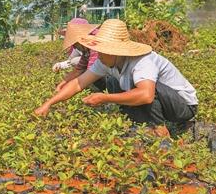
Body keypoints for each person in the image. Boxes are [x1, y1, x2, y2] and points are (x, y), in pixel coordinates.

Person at [35, 19, 198, 131]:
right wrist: (49, 103)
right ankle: (140, 126)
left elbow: (147, 96)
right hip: (162, 102)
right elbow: (79, 83)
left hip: (182, 107)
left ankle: (160, 131)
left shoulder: (143, 61)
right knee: (114, 81)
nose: (98, 55)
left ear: (116, 51)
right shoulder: (105, 60)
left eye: (103, 52)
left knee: (145, 89)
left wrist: (105, 98)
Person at [53, 18, 103, 92]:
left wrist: (67, 89)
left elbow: (90, 74)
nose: (74, 46)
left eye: (75, 43)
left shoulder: (95, 46)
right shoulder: (86, 50)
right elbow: (78, 69)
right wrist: (61, 85)